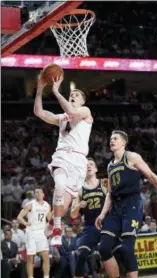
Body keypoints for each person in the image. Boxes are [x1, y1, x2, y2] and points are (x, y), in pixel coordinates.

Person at [95, 130, 157, 278]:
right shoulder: (110, 166)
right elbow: (110, 193)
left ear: (123, 142)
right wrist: (102, 214)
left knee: (127, 248)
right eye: (110, 138)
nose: (112, 140)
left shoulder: (131, 157)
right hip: (115, 207)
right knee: (103, 248)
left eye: (115, 138)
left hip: (132, 204)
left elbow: (151, 176)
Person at [34, 75, 93, 246]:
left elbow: (73, 112)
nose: (73, 96)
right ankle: (58, 229)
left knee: (63, 206)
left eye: (76, 95)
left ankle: (53, 222)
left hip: (78, 161)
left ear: (82, 101)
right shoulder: (62, 117)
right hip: (62, 156)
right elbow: (39, 112)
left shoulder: (85, 112)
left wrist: (56, 92)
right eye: (71, 94)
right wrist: (40, 89)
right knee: (59, 186)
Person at [70, 158, 108, 278]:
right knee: (81, 255)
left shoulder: (104, 183)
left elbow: (114, 200)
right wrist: (78, 206)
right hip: (90, 227)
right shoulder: (80, 189)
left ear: (96, 169)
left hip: (106, 225)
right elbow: (72, 214)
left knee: (114, 254)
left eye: (91, 164)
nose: (88, 166)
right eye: (86, 165)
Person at [17, 187, 51, 278]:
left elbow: (50, 219)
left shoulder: (47, 205)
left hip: (41, 233)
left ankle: (46, 276)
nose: (38, 194)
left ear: (43, 194)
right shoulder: (30, 204)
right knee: (30, 258)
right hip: (31, 232)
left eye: (39, 192)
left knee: (46, 256)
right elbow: (19, 217)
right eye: (36, 193)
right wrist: (25, 223)